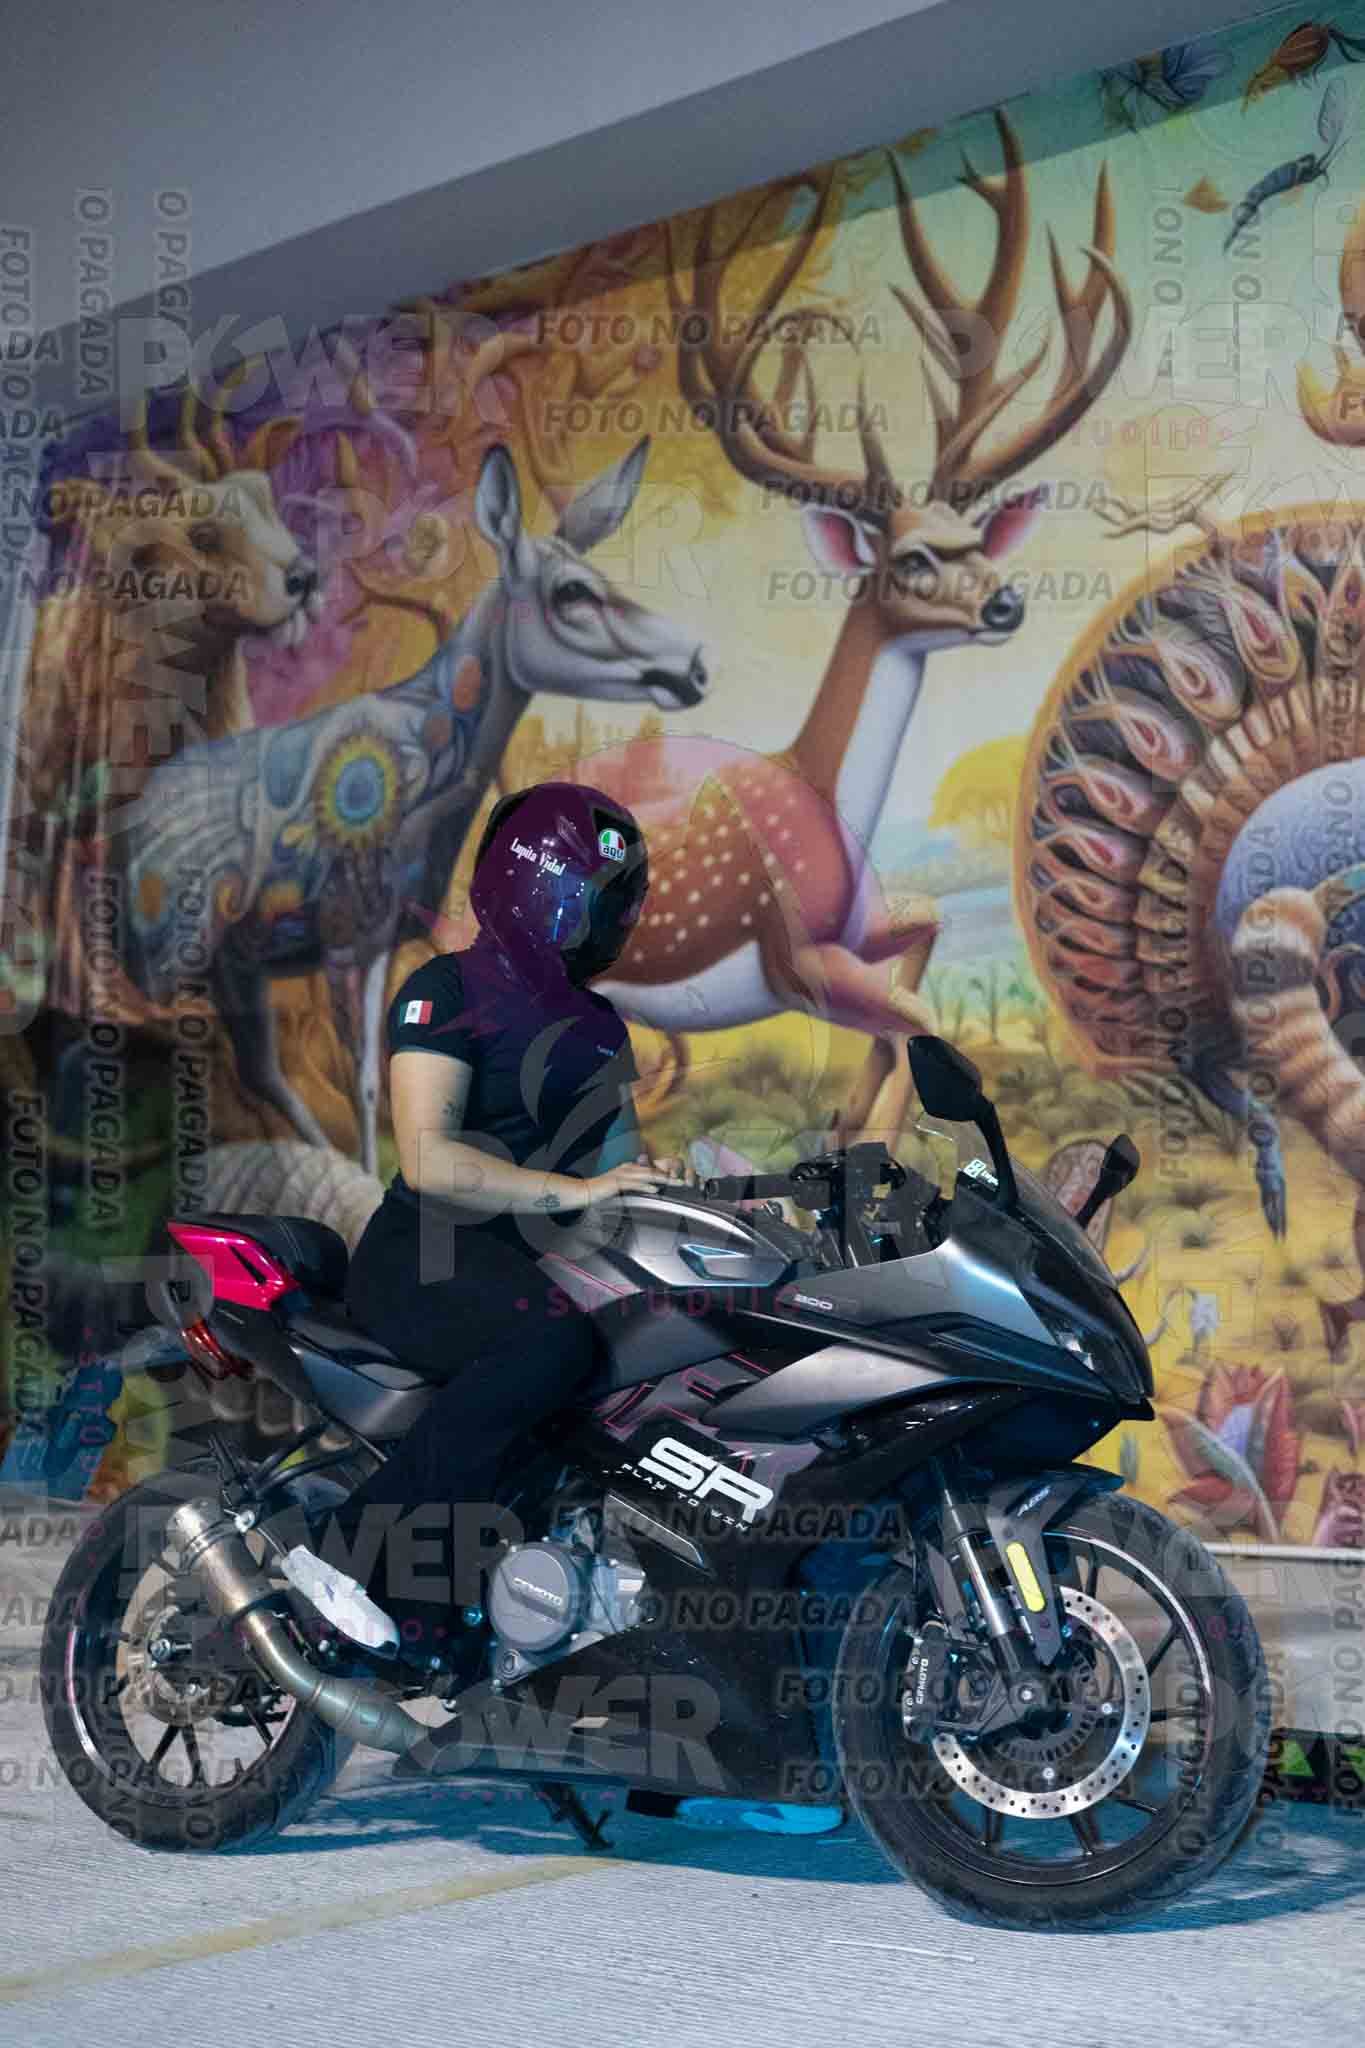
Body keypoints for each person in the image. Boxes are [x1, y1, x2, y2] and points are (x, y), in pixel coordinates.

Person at [319, 781, 680, 1666]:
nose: (616, 921)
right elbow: (430, 1161)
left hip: (526, 1266)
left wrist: (681, 1192)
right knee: (547, 1348)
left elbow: (618, 1170)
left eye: (624, 903)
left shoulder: (599, 1027)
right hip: (423, 1256)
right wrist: (575, 1193)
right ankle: (347, 1548)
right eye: (604, 898)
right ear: (537, 884)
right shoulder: (443, 990)